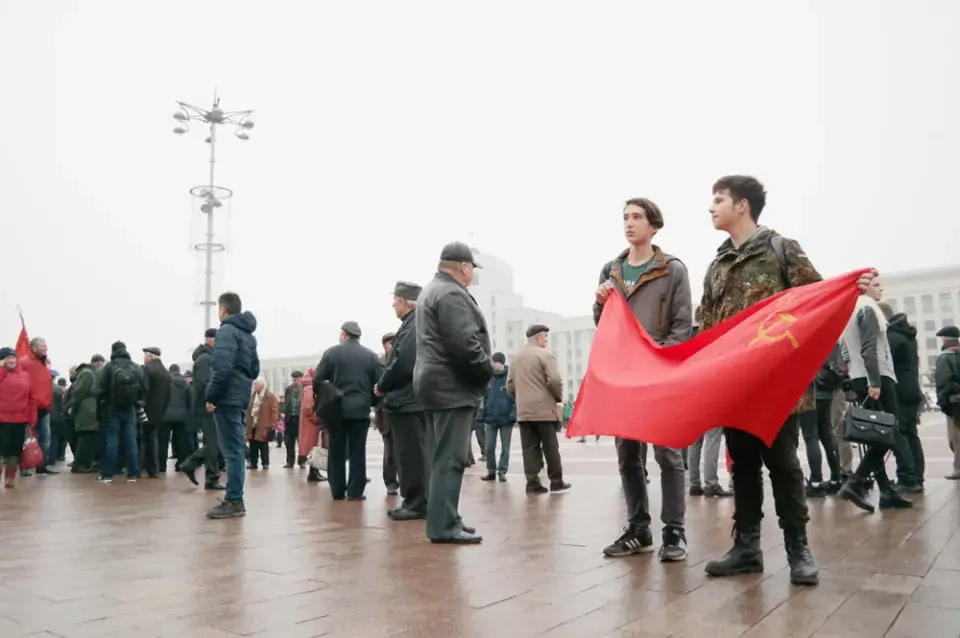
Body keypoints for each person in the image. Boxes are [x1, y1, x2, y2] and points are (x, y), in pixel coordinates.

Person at [696, 175, 874, 586]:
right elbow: (707, 324)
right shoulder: (717, 265)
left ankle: (798, 548)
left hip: (779, 386)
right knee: (741, 466)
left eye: (719, 199)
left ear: (742, 205)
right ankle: (747, 548)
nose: (711, 207)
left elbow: (818, 299)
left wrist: (853, 288)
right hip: (735, 386)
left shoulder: (780, 248)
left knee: (784, 465)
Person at [592, 197, 692, 561]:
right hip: (623, 378)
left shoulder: (672, 270)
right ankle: (638, 529)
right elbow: (603, 325)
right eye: (625, 217)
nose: (629, 223)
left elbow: (682, 326)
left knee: (668, 455)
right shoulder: (611, 269)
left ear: (654, 226)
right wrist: (600, 300)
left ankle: (674, 532)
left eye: (637, 217)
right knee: (628, 456)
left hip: (659, 375)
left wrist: (655, 363)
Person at [414, 241, 493, 544]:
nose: (472, 273)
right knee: (451, 458)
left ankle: (447, 517)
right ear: (463, 267)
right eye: (472, 267)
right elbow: (464, 344)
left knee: (442, 456)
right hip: (451, 386)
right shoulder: (450, 293)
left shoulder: (432, 290)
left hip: (435, 384)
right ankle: (444, 526)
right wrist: (487, 369)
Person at [837, 279, 913, 512]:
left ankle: (886, 490)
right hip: (877, 376)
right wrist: (875, 382)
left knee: (876, 434)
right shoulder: (867, 308)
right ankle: (856, 481)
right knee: (888, 432)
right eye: (876, 284)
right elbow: (869, 348)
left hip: (863, 377)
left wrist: (858, 374)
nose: (881, 288)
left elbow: (845, 350)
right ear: (863, 287)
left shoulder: (850, 312)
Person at [377, 281, 430, 521]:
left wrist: (382, 384)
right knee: (413, 453)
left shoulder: (413, 326)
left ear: (404, 302)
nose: (392, 305)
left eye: (395, 300)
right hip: (411, 400)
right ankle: (417, 499)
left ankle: (416, 502)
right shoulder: (415, 324)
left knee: (411, 455)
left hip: (408, 401)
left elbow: (403, 362)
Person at [205, 292, 260, 519]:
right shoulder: (248, 336)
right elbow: (254, 369)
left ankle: (235, 500)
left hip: (227, 396)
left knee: (232, 451)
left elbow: (221, 367)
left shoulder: (226, 331)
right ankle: (235, 497)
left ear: (222, 310)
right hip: (239, 396)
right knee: (236, 448)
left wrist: (211, 395)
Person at [315, 321, 382, 501]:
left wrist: (328, 396)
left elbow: (318, 380)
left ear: (344, 335)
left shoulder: (332, 353)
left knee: (336, 450)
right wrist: (369, 401)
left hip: (337, 411)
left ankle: (337, 491)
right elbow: (380, 384)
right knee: (357, 451)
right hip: (360, 411)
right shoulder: (370, 356)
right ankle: (355, 492)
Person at [507, 325, 571, 494]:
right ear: (537, 338)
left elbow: (510, 384)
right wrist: (557, 397)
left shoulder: (517, 358)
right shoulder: (545, 354)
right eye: (544, 337)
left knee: (529, 448)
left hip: (524, 411)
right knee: (550, 447)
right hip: (543, 410)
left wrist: (519, 398)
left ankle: (532, 483)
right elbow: (555, 380)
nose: (546, 340)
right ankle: (556, 481)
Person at [880, 302, 925, 491]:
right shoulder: (906, 335)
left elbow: (882, 363)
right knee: (911, 435)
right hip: (911, 390)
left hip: (899, 392)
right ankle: (917, 476)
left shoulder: (892, 338)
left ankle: (908, 478)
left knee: (901, 435)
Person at [180, 328, 224, 491]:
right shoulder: (205, 359)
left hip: (208, 406)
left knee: (213, 443)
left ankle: (191, 465)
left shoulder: (207, 357)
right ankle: (211, 478)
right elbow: (205, 383)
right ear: (211, 340)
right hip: (207, 407)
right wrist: (211, 400)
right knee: (214, 443)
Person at [96, 341, 147, 484]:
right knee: (131, 441)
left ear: (113, 351)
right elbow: (143, 388)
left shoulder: (109, 367)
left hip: (113, 408)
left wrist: (104, 402)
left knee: (112, 441)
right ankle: (133, 474)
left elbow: (101, 388)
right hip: (130, 409)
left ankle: (107, 475)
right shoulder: (135, 367)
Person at [19, 337, 57, 475]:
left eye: (46, 346)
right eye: (42, 346)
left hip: (44, 407)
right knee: (27, 439)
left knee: (46, 439)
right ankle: (23, 467)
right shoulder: (23, 362)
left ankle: (41, 466)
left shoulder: (46, 363)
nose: (45, 348)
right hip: (29, 408)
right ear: (34, 348)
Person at [0, 346, 37, 488]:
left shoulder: (25, 375)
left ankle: (10, 477)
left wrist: (32, 419)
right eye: (7, 357)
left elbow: (31, 399)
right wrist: (2, 369)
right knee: (1, 450)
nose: (11, 360)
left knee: (15, 451)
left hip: (20, 420)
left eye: (13, 357)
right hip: (1, 420)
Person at [478, 352, 516, 482]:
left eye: (495, 362)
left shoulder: (510, 377)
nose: (493, 364)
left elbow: (515, 398)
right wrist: (481, 415)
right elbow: (484, 398)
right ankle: (491, 471)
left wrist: (513, 415)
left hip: (506, 419)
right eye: (492, 362)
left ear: (501, 362)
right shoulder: (489, 378)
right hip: (491, 419)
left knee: (505, 448)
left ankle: (502, 471)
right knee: (489, 447)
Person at [373, 333, 400, 495]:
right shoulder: (379, 363)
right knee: (389, 450)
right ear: (385, 346)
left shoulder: (403, 359)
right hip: (385, 411)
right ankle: (390, 482)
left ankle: (407, 480)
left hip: (402, 409)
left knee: (405, 448)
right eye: (391, 344)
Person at [934, 326, 960, 479]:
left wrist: (943, 403)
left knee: (955, 438)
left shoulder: (945, 356)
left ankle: (958, 469)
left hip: (955, 403)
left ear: (944, 338)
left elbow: (943, 383)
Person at [140, 347, 170, 478]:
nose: (144, 358)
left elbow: (144, 390)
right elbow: (168, 394)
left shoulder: (147, 369)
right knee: (153, 439)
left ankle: (141, 467)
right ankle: (154, 468)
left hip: (146, 410)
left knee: (143, 439)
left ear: (151, 356)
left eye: (145, 356)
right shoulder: (165, 371)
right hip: (159, 411)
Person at [68, 360, 100, 474]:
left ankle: (82, 465)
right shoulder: (89, 373)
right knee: (86, 439)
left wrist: (74, 408)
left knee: (87, 439)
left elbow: (79, 393)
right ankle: (80, 466)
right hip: (88, 410)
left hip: (87, 410)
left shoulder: (86, 373)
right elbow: (79, 392)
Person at [245, 379, 278, 470]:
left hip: (264, 424)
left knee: (263, 445)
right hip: (253, 424)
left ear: (262, 385)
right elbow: (248, 410)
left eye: (256, 385)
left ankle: (265, 463)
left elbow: (275, 412)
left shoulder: (270, 397)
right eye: (254, 385)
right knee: (253, 445)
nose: (254, 387)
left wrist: (273, 425)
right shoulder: (252, 396)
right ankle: (253, 463)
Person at [283, 371, 306, 468]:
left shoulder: (305, 389)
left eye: (296, 379)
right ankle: (290, 461)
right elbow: (286, 403)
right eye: (293, 379)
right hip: (290, 418)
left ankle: (302, 461)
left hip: (300, 419)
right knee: (289, 441)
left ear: (301, 378)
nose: (294, 381)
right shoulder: (288, 389)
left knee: (301, 442)